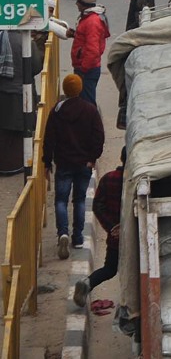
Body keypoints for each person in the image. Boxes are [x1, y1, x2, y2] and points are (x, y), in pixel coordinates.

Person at [43, 73, 103, 260]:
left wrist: (47, 162)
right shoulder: (90, 110)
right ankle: (77, 238)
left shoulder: (57, 111)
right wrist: (93, 158)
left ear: (64, 90)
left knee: (60, 200)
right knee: (79, 200)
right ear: (79, 89)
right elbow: (98, 136)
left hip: (63, 163)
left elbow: (49, 139)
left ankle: (62, 233)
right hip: (83, 163)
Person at [73, 148, 123, 307]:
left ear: (121, 158)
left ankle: (87, 283)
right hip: (137, 240)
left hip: (115, 238)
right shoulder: (138, 182)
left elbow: (97, 206)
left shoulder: (109, 179)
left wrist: (112, 227)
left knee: (109, 269)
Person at [66, 0, 108, 103]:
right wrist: (75, 34)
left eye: (78, 2)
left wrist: (83, 70)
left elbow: (93, 50)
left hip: (87, 70)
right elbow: (87, 40)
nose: (76, 5)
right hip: (86, 68)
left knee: (86, 103)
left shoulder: (92, 22)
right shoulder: (90, 18)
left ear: (83, 4)